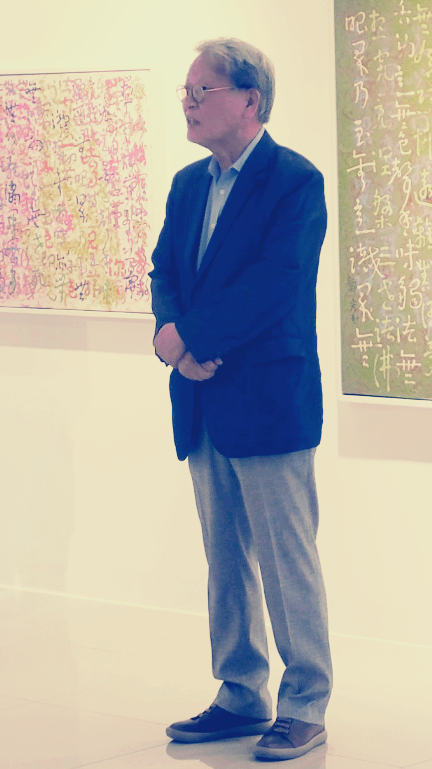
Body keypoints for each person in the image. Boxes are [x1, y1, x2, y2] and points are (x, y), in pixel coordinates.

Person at [150, 38, 332, 761]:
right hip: (201, 396)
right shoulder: (186, 184)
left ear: (249, 100)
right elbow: (165, 269)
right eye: (187, 91)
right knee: (224, 559)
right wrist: (172, 339)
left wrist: (191, 338)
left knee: (287, 562)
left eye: (203, 90)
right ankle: (239, 692)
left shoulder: (294, 181)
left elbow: (275, 284)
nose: (189, 102)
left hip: (267, 398)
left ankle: (304, 703)